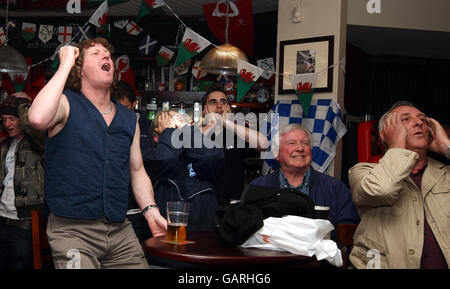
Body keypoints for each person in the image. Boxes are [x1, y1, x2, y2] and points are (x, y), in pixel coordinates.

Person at [28, 37, 167, 269]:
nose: (106, 57)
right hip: (72, 230)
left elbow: (137, 170)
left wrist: (151, 211)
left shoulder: (128, 119)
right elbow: (37, 118)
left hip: (120, 230)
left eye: (108, 54)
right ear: (79, 69)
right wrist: (65, 64)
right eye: (95, 54)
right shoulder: (65, 103)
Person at [348, 101, 450, 269]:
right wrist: (396, 145)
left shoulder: (445, 174)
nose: (418, 122)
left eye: (422, 120)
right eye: (405, 119)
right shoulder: (363, 172)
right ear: (385, 134)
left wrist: (447, 146)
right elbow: (382, 190)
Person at [250, 123, 360, 239]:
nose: (300, 148)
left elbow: (348, 236)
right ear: (277, 154)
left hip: (319, 256)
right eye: (291, 143)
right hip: (272, 256)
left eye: (305, 143)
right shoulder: (258, 188)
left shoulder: (336, 189)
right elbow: (247, 232)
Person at [142, 110, 224, 233]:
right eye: (171, 132)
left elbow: (210, 157)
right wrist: (168, 131)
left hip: (204, 233)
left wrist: (186, 129)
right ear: (156, 137)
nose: (177, 137)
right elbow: (166, 158)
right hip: (165, 232)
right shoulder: (151, 156)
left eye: (179, 131)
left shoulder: (200, 154)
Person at [201, 84, 269, 206]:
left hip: (233, 205)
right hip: (202, 205)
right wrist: (212, 123)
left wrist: (225, 122)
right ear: (204, 111)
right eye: (212, 102)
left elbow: (263, 143)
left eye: (223, 102)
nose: (219, 106)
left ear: (229, 109)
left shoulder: (236, 134)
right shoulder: (193, 133)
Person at [0, 92, 45, 268]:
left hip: (25, 224)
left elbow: (33, 126)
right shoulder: (5, 146)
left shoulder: (36, 143)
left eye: (12, 118)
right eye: (4, 119)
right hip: (2, 220)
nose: (7, 124)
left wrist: (23, 103)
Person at [111, 81, 152, 244]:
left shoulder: (148, 126)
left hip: (140, 204)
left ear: (135, 104)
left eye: (126, 108)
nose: (121, 113)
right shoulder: (108, 125)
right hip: (116, 203)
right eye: (118, 108)